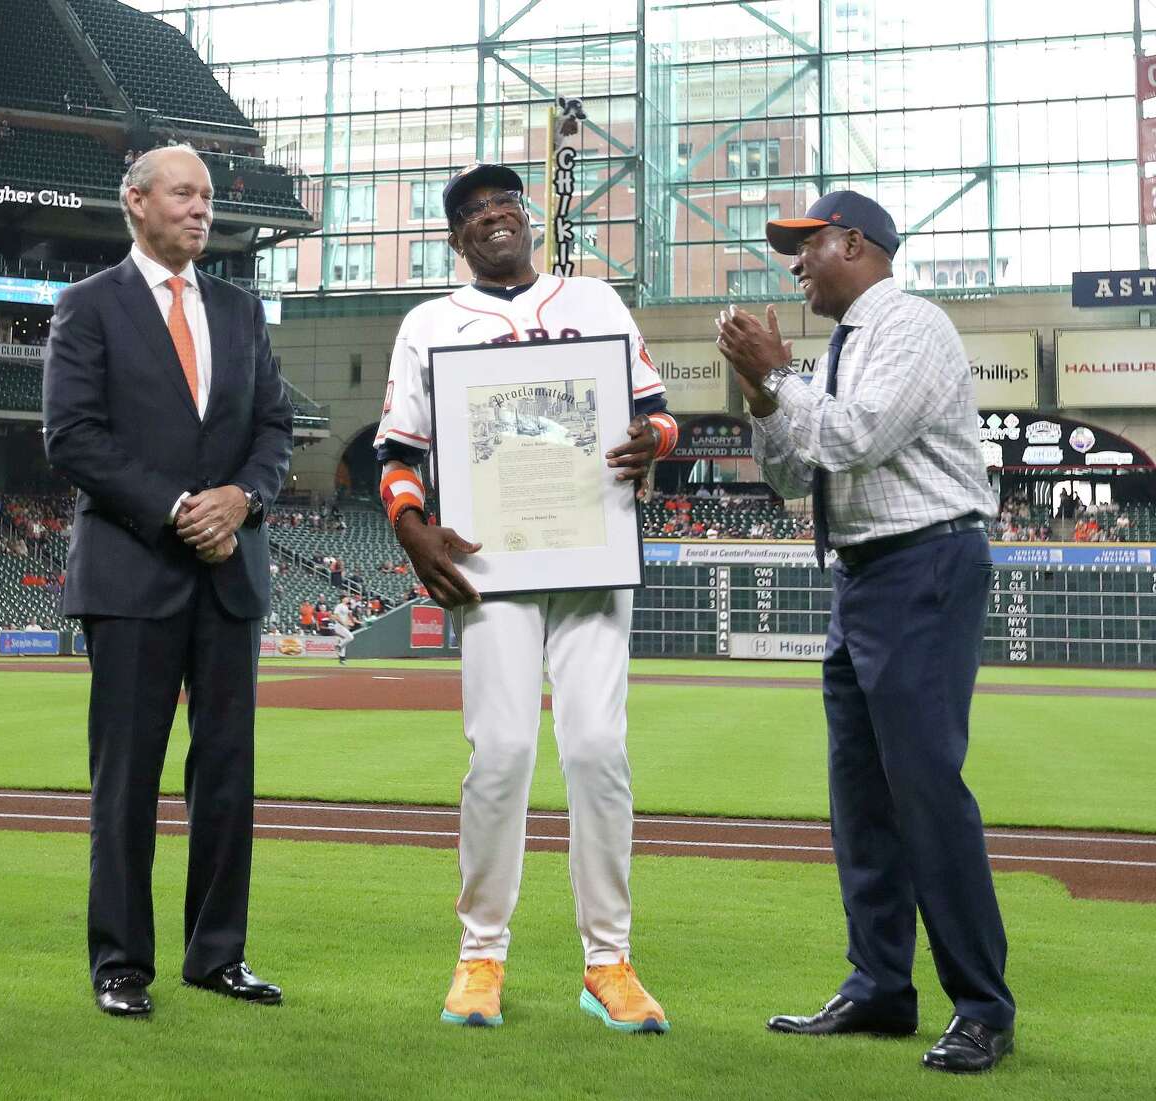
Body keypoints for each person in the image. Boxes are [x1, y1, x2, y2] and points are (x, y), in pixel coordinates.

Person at [375, 162, 679, 1034]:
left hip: (588, 550)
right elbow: (398, 453)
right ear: (455, 238)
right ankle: (481, 955)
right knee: (502, 751)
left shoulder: (597, 304)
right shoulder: (430, 322)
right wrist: (410, 523)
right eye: (471, 212)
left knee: (595, 749)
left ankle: (608, 961)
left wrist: (648, 440)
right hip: (491, 561)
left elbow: (660, 415)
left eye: (504, 202)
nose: (492, 216)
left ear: (530, 218)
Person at [715, 190, 1014, 1073]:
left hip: (923, 562)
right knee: (862, 798)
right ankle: (881, 984)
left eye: (807, 246)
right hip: (864, 575)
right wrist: (764, 393)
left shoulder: (912, 323)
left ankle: (983, 1007)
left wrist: (783, 376)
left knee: (923, 787)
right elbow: (786, 474)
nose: (794, 264)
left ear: (855, 242)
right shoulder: (844, 346)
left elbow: (855, 437)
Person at [42, 144, 294, 1018]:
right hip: (131, 573)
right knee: (127, 782)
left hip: (229, 575)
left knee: (227, 776)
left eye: (209, 197)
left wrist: (243, 498)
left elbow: (274, 428)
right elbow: (71, 436)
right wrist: (184, 506)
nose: (202, 210)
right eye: (184, 194)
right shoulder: (87, 307)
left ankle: (217, 954)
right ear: (136, 202)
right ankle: (121, 963)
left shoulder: (241, 308)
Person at [331, 594, 356, 664]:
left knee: (344, 641)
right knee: (351, 637)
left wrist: (349, 623)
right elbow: (336, 616)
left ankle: (342, 659)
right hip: (339, 625)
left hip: (343, 626)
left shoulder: (345, 607)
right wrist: (343, 623)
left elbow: (347, 617)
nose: (348, 599)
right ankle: (338, 646)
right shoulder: (339, 606)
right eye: (346, 598)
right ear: (342, 599)